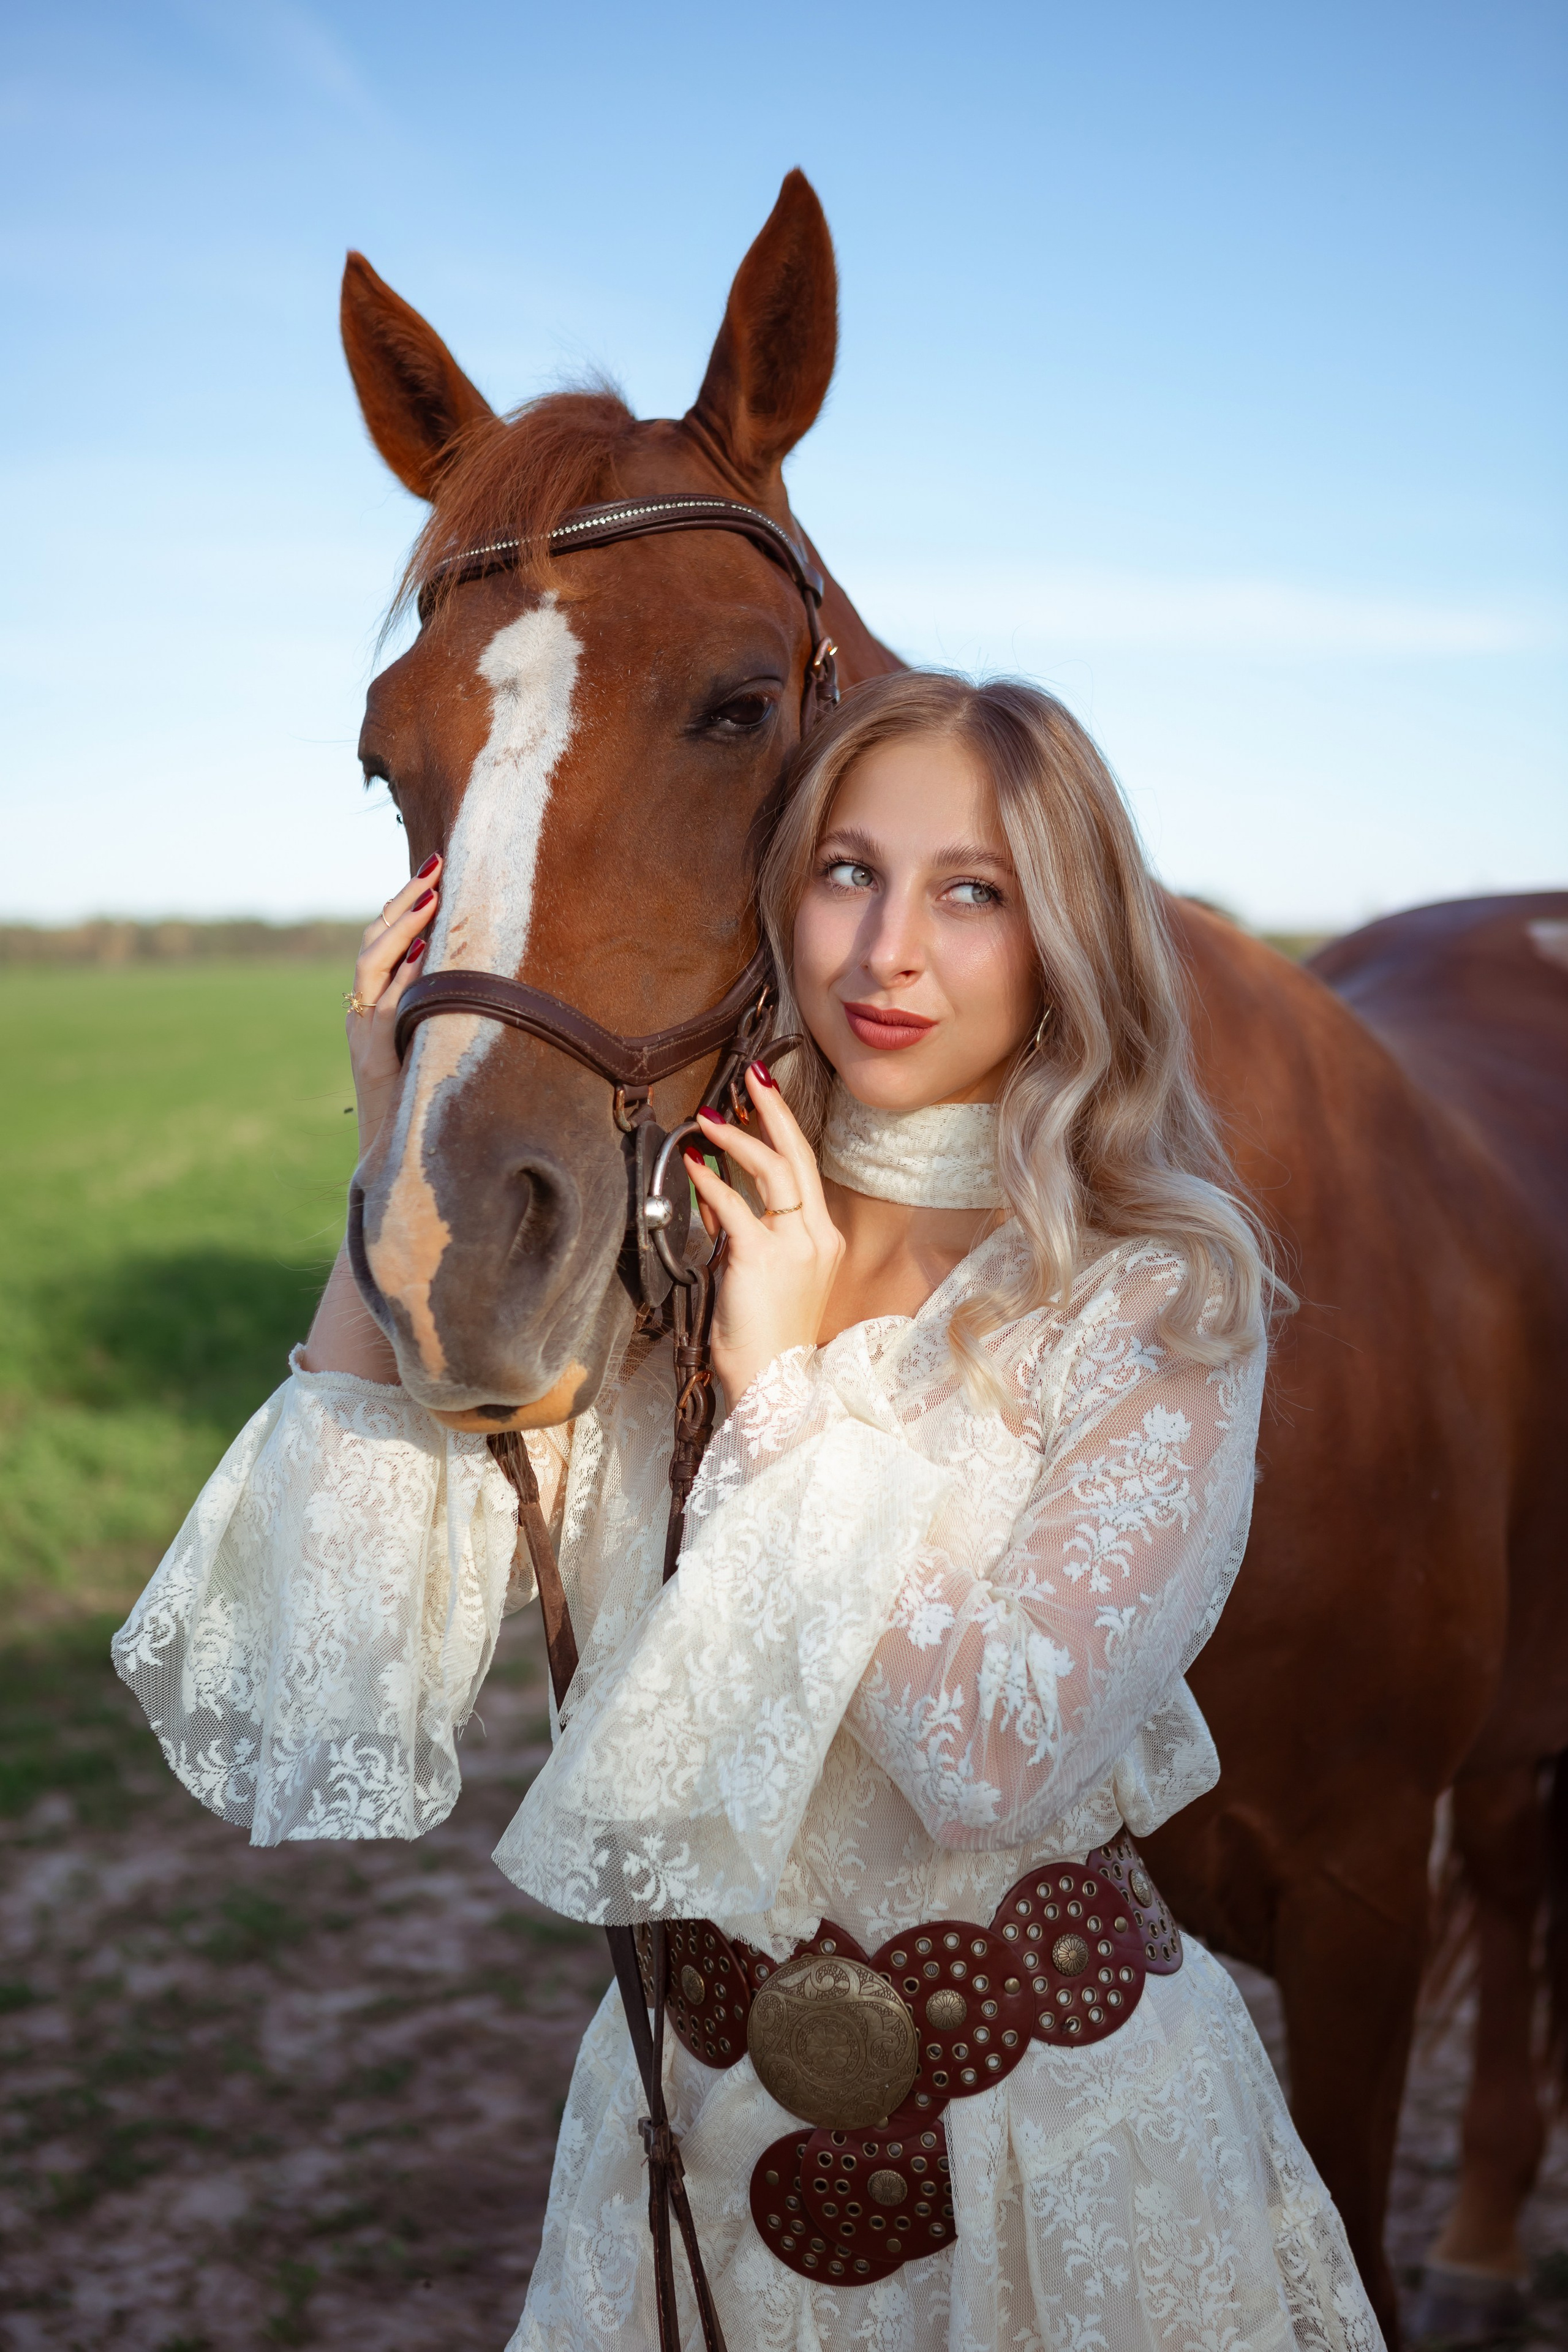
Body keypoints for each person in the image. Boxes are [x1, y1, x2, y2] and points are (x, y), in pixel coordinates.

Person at [114, 673, 1382, 2351]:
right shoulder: (669, 1256)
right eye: (848, 872)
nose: (888, 952)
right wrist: (395, 1150)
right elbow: (328, 1649)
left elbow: (997, 1742)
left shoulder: (1151, 1302)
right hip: (684, 2153)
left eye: (972, 892)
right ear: (780, 893)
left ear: (1068, 933)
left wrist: (787, 1393)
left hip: (1058, 2163)